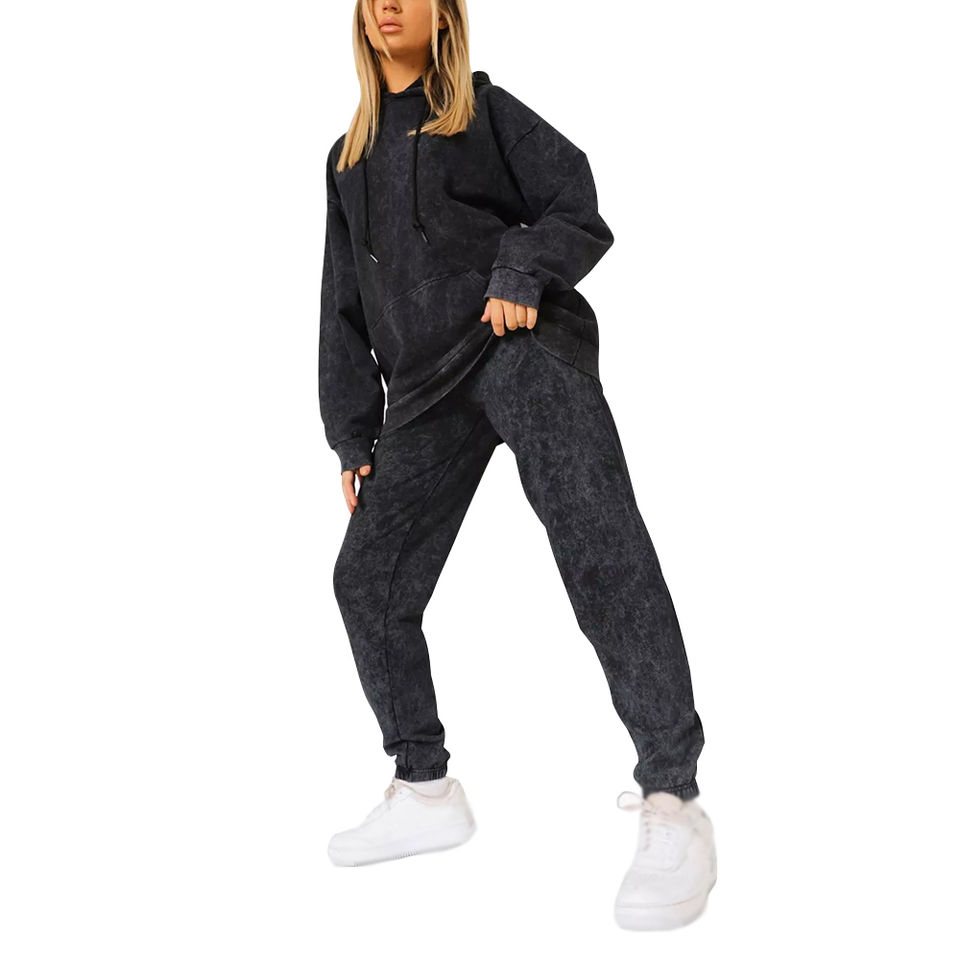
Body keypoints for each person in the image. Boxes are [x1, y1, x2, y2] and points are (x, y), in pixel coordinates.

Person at [318, 1, 717, 930]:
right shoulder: (345, 160)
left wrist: (518, 274)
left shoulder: (485, 112)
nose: (387, 3)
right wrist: (352, 433)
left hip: (518, 349)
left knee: (601, 548)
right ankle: (425, 789)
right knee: (367, 580)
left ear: (444, 12)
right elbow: (340, 301)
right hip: (422, 392)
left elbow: (576, 200)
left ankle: (674, 798)